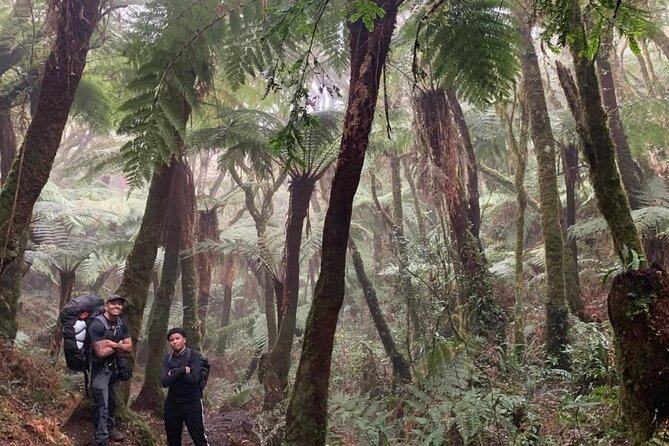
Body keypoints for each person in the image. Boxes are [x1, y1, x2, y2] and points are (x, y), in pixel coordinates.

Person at [88, 295, 132, 446]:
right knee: (102, 404)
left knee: (112, 401)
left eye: (120, 304)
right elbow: (100, 352)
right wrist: (120, 345)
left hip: (114, 368)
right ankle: (101, 439)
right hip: (99, 369)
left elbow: (129, 346)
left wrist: (112, 344)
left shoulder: (121, 324)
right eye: (113, 303)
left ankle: (110, 427)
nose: (117, 306)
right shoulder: (97, 324)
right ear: (106, 306)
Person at [161, 327, 210, 446]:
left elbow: (194, 379)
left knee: (199, 437)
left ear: (184, 340)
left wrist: (173, 373)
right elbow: (164, 382)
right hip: (172, 404)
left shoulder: (194, 356)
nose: (175, 341)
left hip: (191, 403)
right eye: (172, 340)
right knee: (173, 439)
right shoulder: (168, 359)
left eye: (177, 338)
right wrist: (183, 370)